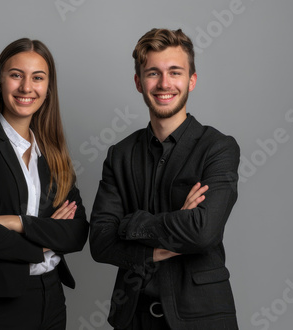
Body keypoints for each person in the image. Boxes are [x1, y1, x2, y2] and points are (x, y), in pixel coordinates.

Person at [89, 28, 240, 329]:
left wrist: (131, 224)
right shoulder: (120, 154)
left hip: (202, 317)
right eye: (153, 73)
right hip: (133, 317)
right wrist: (163, 243)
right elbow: (100, 241)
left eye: (175, 72)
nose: (164, 83)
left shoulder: (218, 147)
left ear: (191, 80)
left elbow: (202, 232)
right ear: (138, 82)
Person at [0, 38, 89, 330]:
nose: (27, 87)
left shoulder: (54, 153)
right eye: (16, 75)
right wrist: (43, 245)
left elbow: (76, 233)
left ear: (48, 88)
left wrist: (17, 222)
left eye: (38, 78)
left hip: (51, 298)